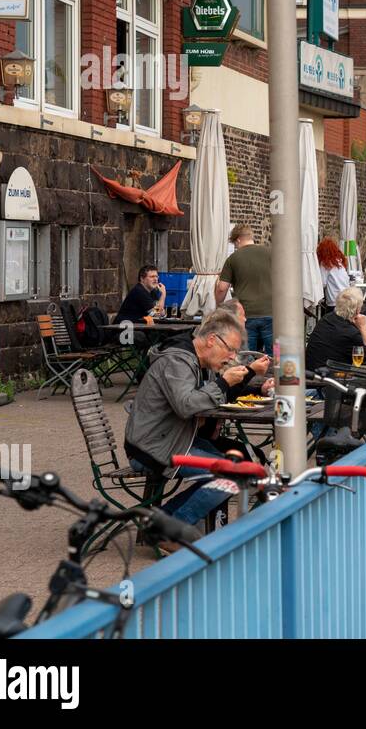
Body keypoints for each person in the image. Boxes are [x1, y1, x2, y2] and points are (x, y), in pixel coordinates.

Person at [125, 310, 254, 533]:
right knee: (230, 475)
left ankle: (161, 523)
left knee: (237, 465)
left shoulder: (194, 361)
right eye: (231, 349)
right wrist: (223, 383)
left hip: (173, 439)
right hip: (152, 447)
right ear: (212, 340)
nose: (233, 356)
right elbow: (186, 406)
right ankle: (172, 530)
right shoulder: (177, 361)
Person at [216, 224, 274, 355]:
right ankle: (274, 375)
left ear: (238, 240)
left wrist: (218, 305)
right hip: (272, 313)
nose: (235, 248)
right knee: (275, 356)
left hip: (246, 315)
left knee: (246, 357)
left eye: (234, 245)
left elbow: (221, 288)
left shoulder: (233, 259)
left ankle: (250, 374)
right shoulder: (271, 253)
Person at [306, 287, 366, 372]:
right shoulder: (350, 333)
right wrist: (363, 327)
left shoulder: (326, 319)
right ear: (358, 310)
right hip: (330, 380)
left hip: (311, 374)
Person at [317, 236, 350, 309]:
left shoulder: (325, 264)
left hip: (334, 301)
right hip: (345, 298)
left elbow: (322, 283)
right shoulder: (339, 261)